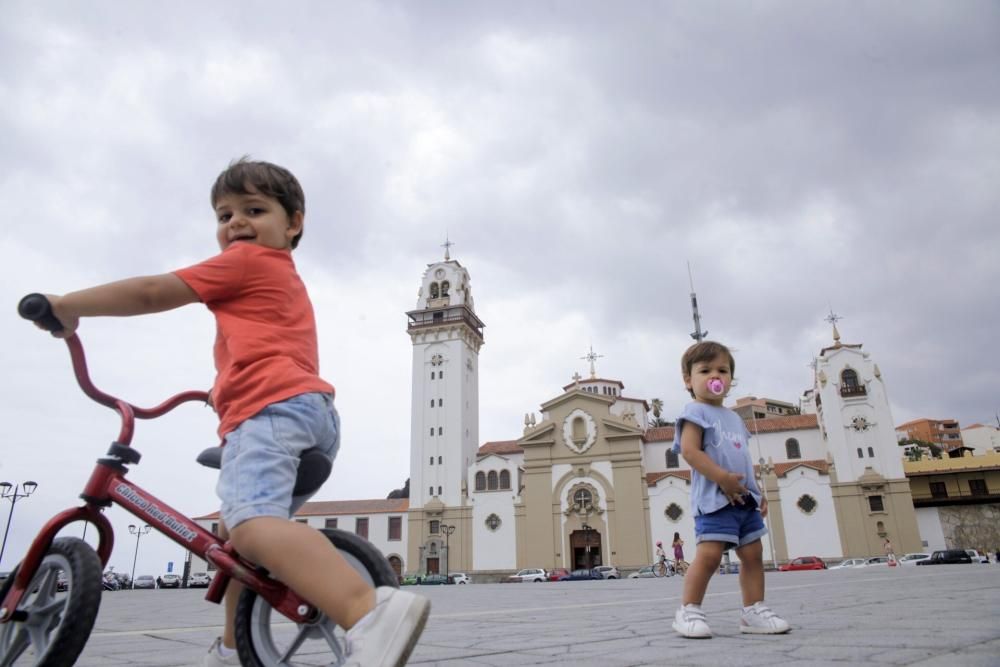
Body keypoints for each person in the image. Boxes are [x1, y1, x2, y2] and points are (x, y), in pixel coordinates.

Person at [38, 158, 430, 666]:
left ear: (293, 223)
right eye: (224, 216)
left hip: (270, 412)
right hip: (308, 414)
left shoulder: (245, 263)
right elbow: (274, 352)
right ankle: (231, 648)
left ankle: (368, 611)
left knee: (249, 524)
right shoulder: (282, 281)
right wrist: (220, 392)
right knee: (236, 542)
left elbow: (153, 291)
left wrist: (68, 305)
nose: (235, 224)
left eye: (254, 209)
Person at [670, 341, 789, 639]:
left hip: (743, 502)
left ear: (730, 380)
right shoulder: (694, 412)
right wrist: (722, 478)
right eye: (705, 370)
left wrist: (756, 492)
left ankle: (753, 611)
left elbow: (743, 460)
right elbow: (689, 452)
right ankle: (688, 611)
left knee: (753, 554)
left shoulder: (735, 418)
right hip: (714, 500)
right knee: (708, 556)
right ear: (689, 380)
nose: (716, 376)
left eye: (723, 370)